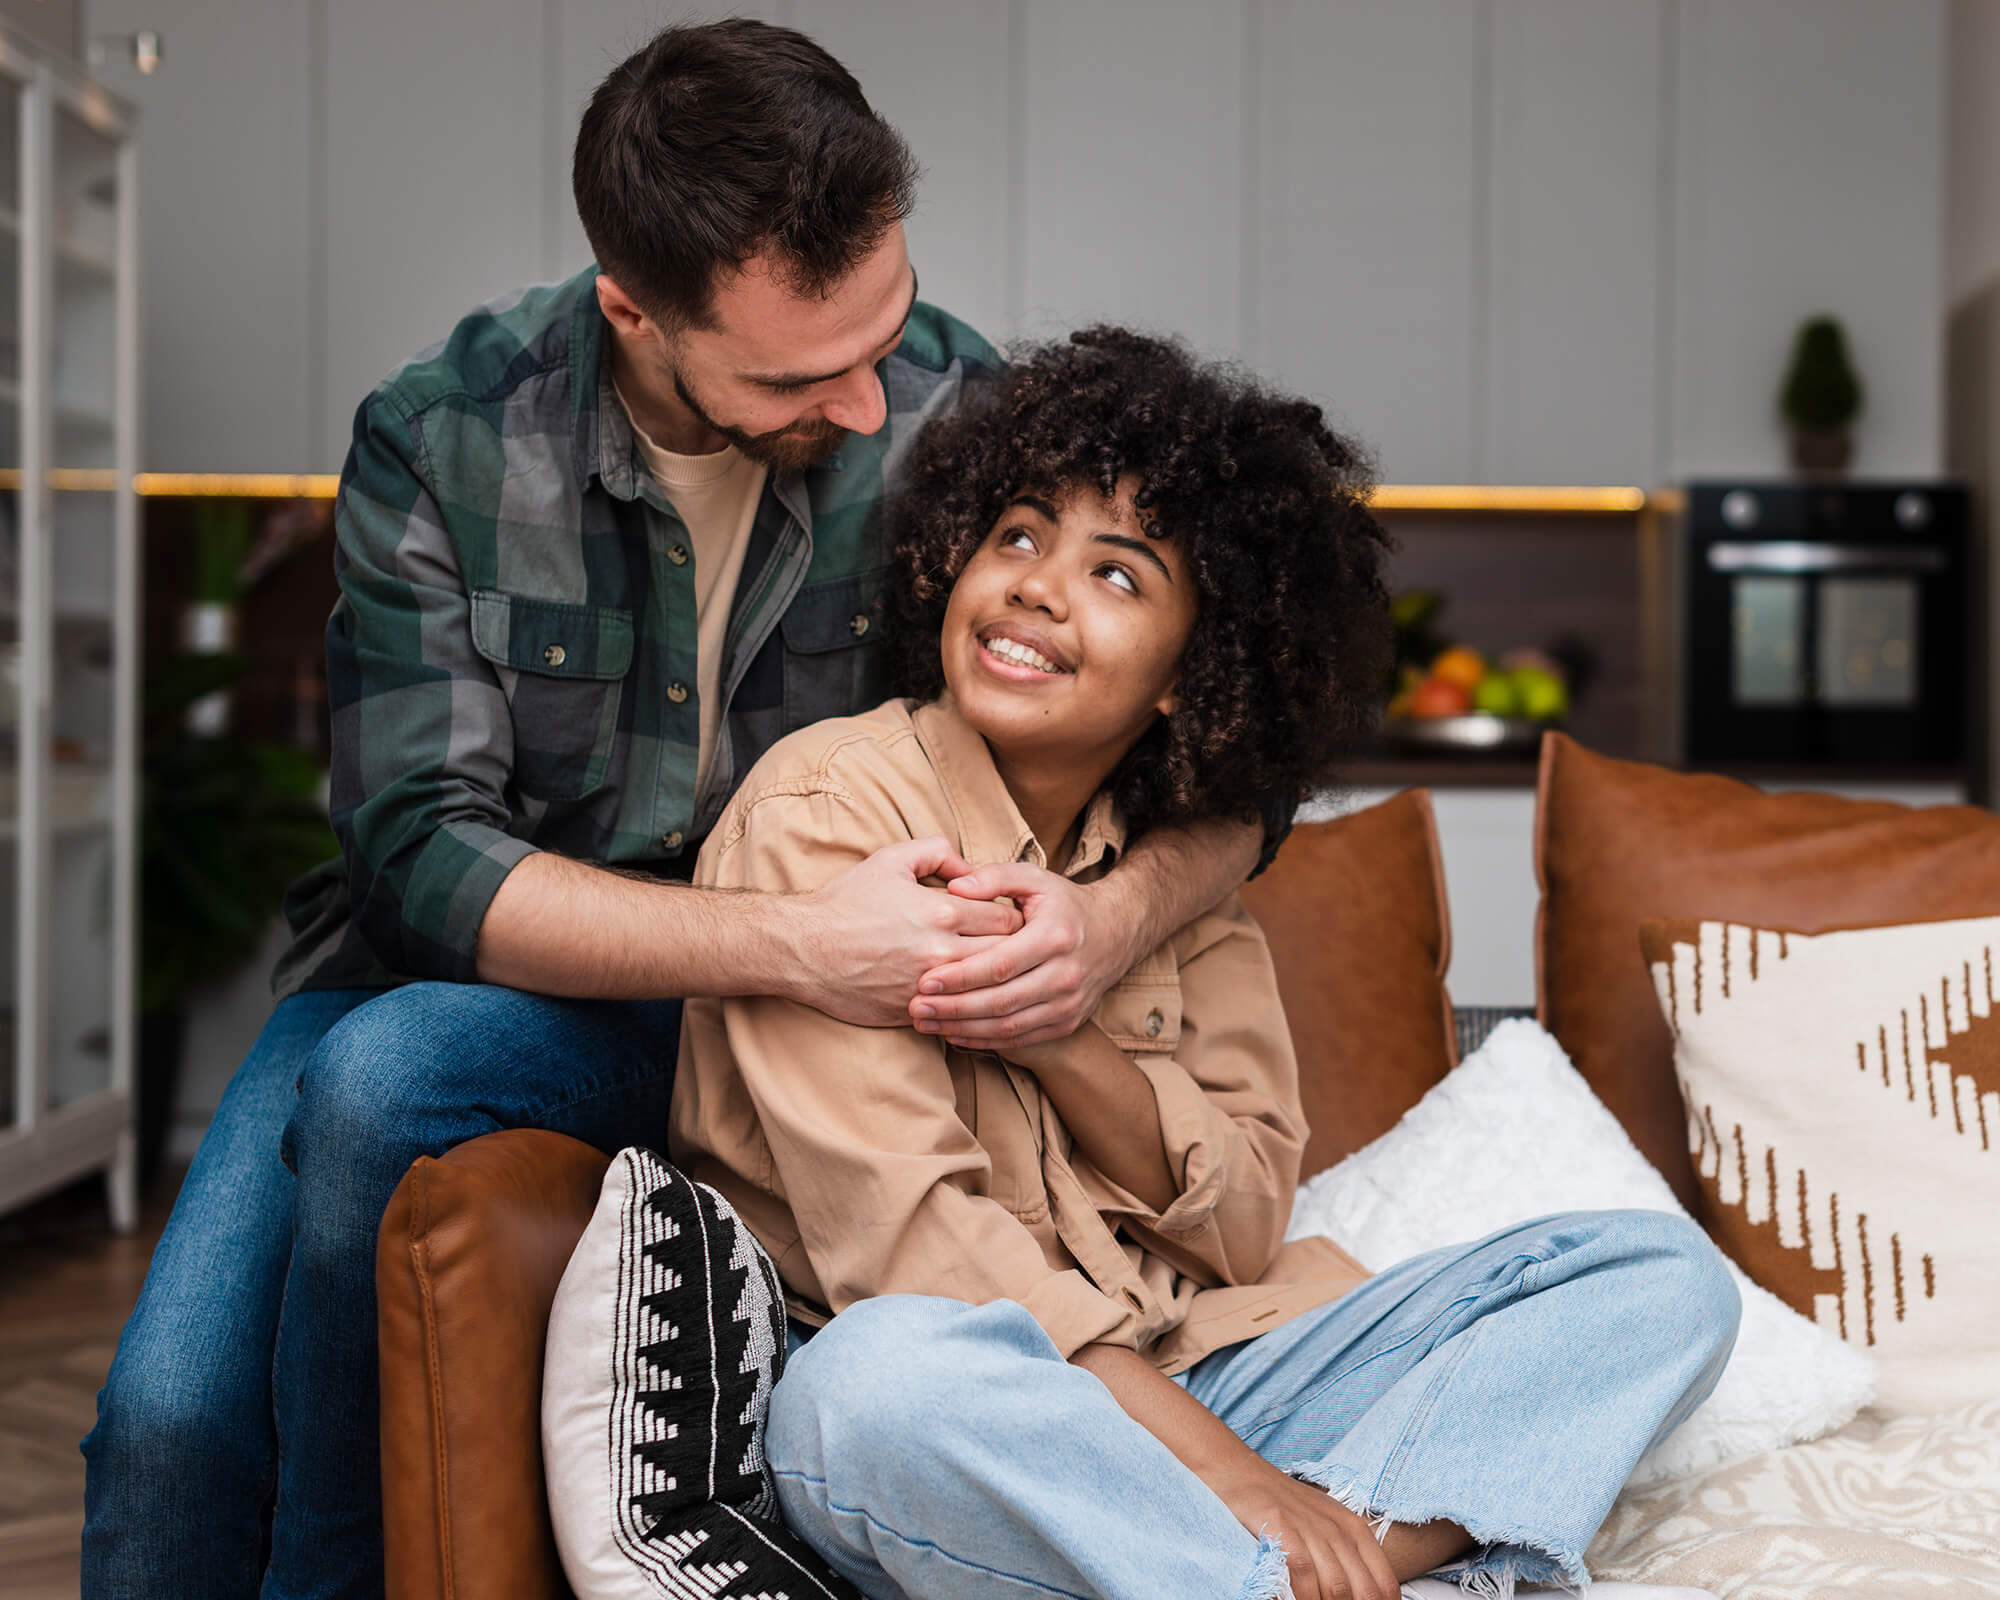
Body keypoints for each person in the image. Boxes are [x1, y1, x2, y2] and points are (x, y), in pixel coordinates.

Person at [80, 24, 1280, 1600]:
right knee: (167, 1422)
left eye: (885, 331)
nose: (869, 407)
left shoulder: (953, 404)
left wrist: (1095, 925)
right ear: (632, 308)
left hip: (825, 1048)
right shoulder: (448, 435)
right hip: (518, 991)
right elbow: (422, 866)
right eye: (800, 373)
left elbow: (1241, 767)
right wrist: (799, 944)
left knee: (384, 1080)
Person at [667, 328, 1743, 1600]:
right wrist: (1239, 1481)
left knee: (1656, 1277)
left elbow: (1240, 1229)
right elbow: (916, 1253)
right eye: (1016, 536)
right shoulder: (833, 814)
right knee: (862, 1395)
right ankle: (1300, 1568)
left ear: (1193, 675)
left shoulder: (1177, 886)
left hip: (1214, 1368)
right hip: (1007, 1413)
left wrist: (1057, 1030)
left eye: (1116, 574)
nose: (1034, 585)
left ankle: (1314, 1571)